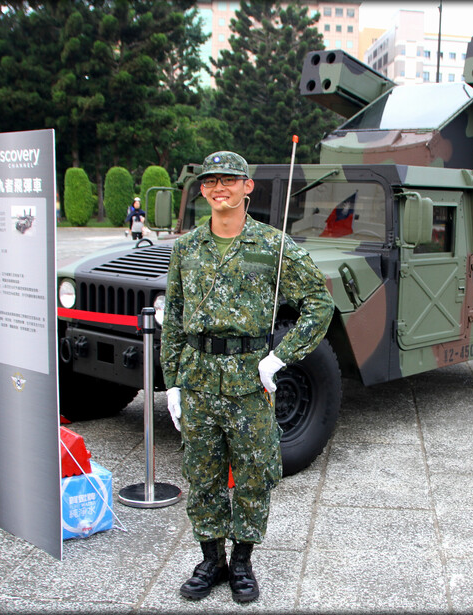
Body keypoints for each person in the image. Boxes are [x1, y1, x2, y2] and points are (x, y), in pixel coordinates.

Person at [160, 151, 333, 603]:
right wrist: (171, 383)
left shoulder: (273, 247)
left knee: (256, 473)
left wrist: (279, 358)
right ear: (202, 190)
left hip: (249, 380)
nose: (221, 188)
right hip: (197, 377)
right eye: (212, 181)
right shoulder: (186, 248)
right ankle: (210, 559)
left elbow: (319, 302)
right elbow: (174, 319)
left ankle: (242, 562)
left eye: (230, 180)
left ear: (247, 187)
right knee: (203, 474)